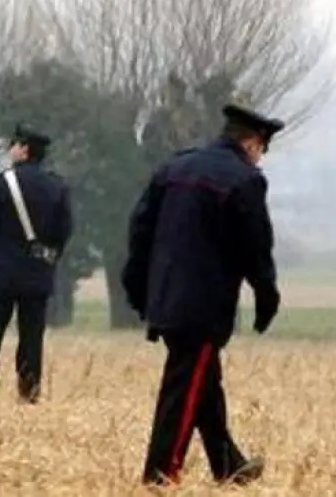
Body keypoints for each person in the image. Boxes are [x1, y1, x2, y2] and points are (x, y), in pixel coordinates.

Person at [121, 103, 284, 487]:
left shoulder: (174, 168)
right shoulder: (244, 180)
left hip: (165, 294)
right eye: (263, 149)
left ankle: (229, 465)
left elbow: (140, 228)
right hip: (204, 303)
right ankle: (160, 474)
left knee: (202, 380)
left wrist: (137, 284)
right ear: (252, 143)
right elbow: (255, 245)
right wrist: (266, 295)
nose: (261, 158)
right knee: (184, 386)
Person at [0, 124, 73, 404]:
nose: (10, 150)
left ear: (24, 150)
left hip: (0, 272)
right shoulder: (57, 187)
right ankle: (28, 392)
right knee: (31, 337)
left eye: (14, 145)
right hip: (36, 273)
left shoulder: (0, 185)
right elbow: (63, 231)